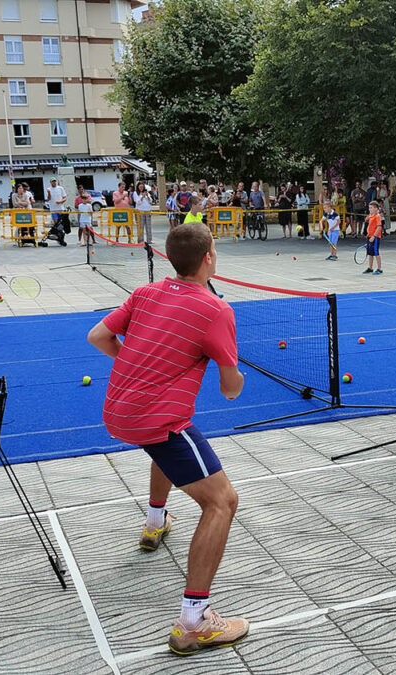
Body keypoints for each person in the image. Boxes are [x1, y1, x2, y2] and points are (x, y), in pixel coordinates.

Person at [86, 223, 248, 656]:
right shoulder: (216, 309)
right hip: (157, 418)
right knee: (222, 501)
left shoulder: (145, 293)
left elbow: (98, 336)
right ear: (209, 257)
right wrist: (234, 376)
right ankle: (194, 623)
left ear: (170, 258)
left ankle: (155, 525)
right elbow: (229, 389)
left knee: (165, 449)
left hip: (118, 412)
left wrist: (135, 370)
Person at [361, 201, 383, 274]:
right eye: (369, 208)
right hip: (369, 236)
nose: (369, 209)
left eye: (371, 208)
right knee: (370, 253)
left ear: (376, 208)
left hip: (375, 237)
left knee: (376, 252)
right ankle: (370, 267)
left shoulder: (378, 216)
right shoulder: (370, 216)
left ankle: (379, 268)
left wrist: (374, 236)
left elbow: (379, 227)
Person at [46, 178, 69, 245]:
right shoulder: (49, 189)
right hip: (53, 209)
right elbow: (48, 198)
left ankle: (60, 236)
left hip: (61, 208)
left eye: (55, 181)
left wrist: (61, 201)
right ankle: (59, 235)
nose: (54, 183)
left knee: (61, 224)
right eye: (53, 182)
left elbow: (65, 197)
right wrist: (49, 192)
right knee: (56, 223)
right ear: (50, 182)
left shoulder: (60, 188)